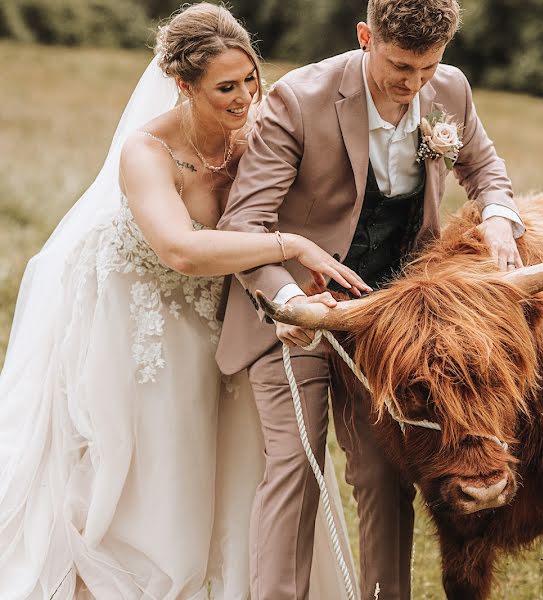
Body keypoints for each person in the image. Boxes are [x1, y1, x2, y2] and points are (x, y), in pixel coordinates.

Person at [0, 4, 361, 599]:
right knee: (151, 451)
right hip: (137, 311)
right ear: (183, 85)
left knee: (226, 451)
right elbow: (182, 250)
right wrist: (289, 243)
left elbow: (291, 206)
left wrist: (286, 296)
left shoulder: (259, 134)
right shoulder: (146, 152)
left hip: (219, 313)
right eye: (226, 87)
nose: (246, 97)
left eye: (251, 79)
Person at [216, 1, 526, 598]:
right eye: (400, 68)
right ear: (366, 37)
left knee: (386, 475)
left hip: (390, 325)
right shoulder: (298, 99)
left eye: (428, 68)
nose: (413, 86)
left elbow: (484, 167)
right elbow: (244, 223)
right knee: (296, 467)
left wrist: (498, 215)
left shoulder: (450, 90)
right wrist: (289, 302)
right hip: (293, 314)